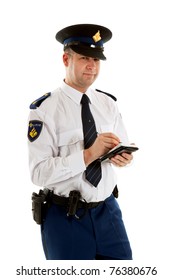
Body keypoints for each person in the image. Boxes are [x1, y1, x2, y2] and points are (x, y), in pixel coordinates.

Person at [28, 23, 134, 260]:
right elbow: (38, 173)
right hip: (66, 218)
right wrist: (88, 154)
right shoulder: (44, 110)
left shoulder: (108, 103)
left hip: (108, 212)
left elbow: (122, 147)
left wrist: (123, 158)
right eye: (84, 58)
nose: (91, 66)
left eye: (96, 60)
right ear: (66, 60)